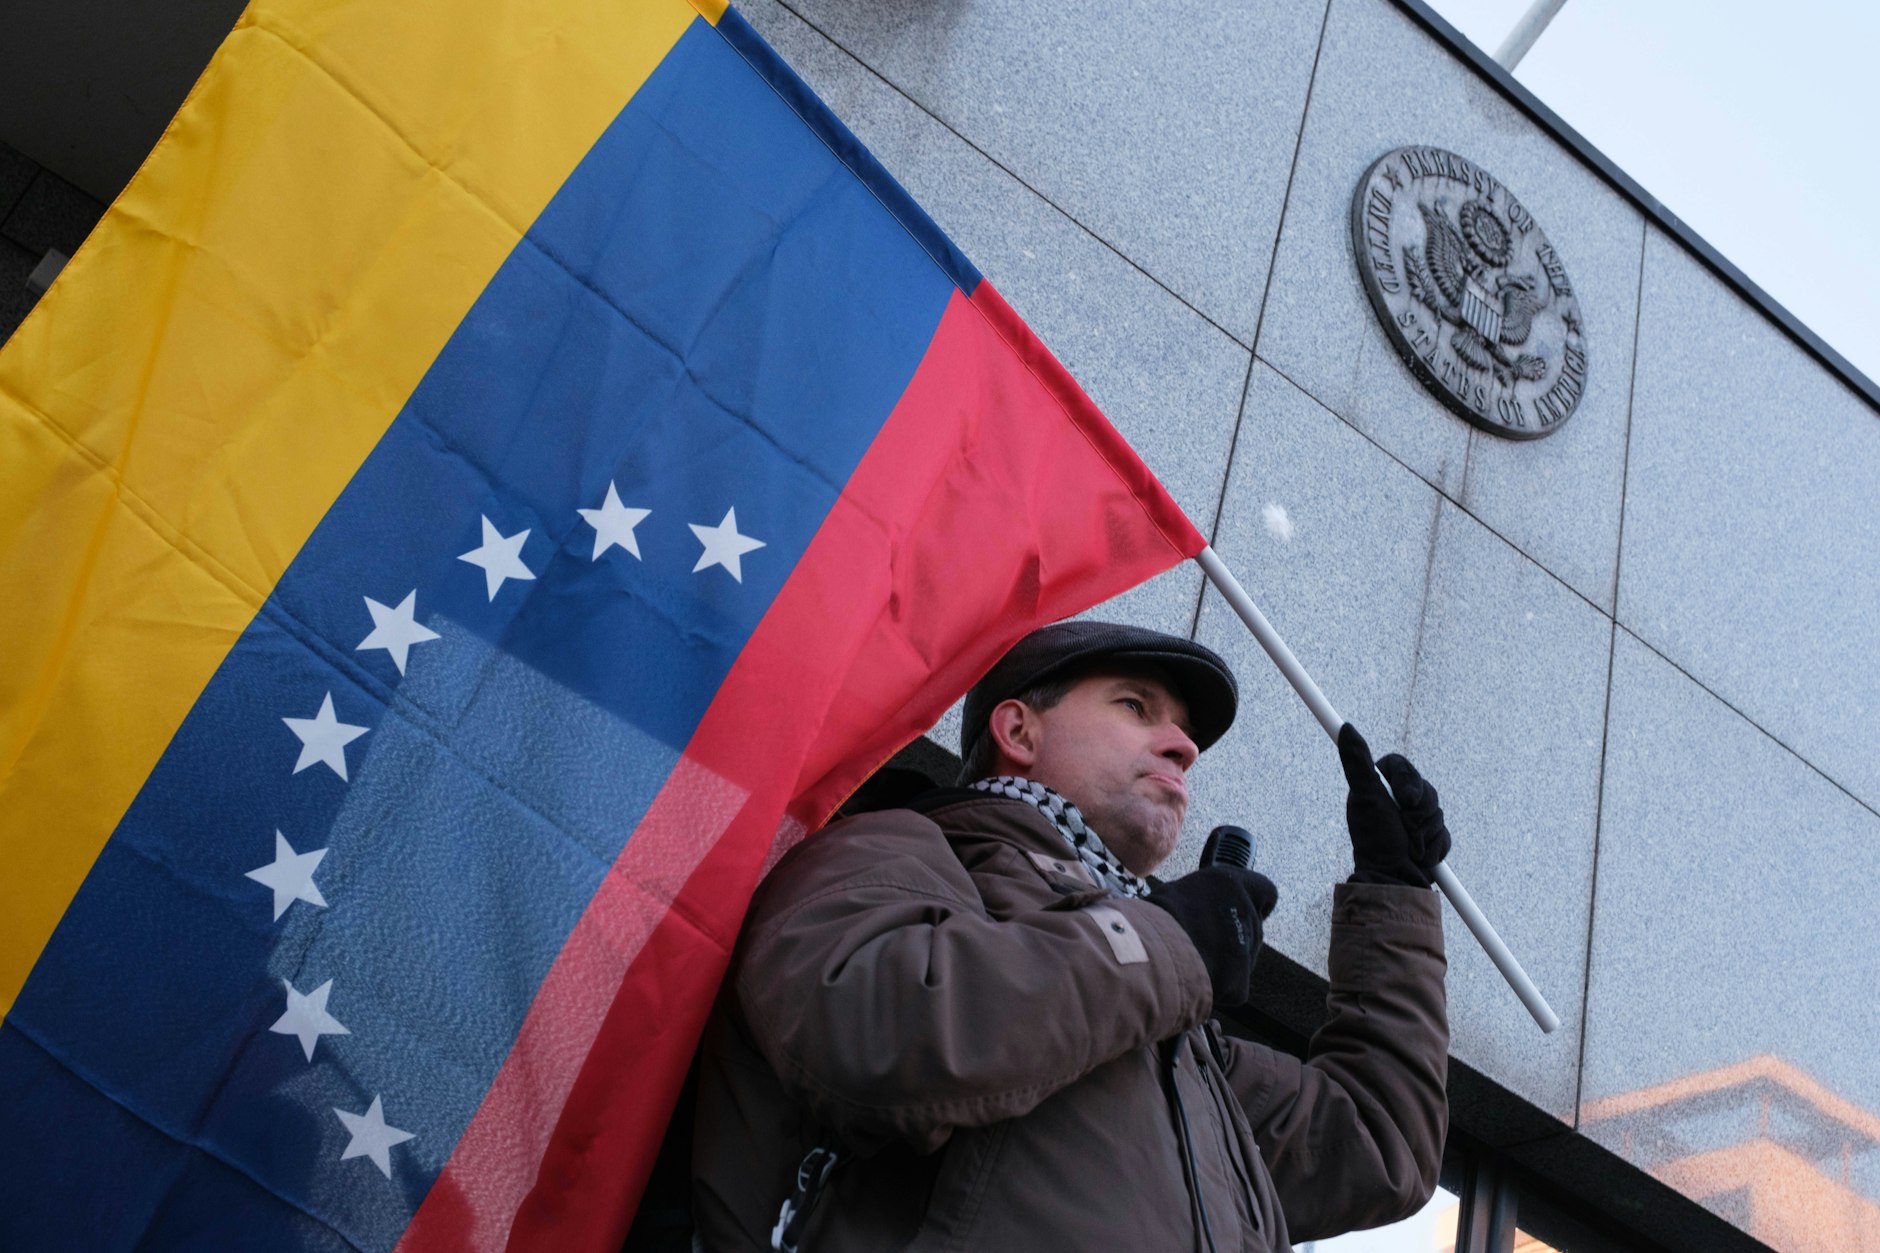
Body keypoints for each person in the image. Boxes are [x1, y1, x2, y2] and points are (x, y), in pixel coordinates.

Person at [691, 620, 1452, 1252]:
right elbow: (872, 1028)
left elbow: (1377, 1144)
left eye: (1184, 733)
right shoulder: (897, 849)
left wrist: (1396, 893)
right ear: (1018, 728)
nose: (1183, 746)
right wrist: (1161, 940)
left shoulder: (1178, 1040)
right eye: (1135, 706)